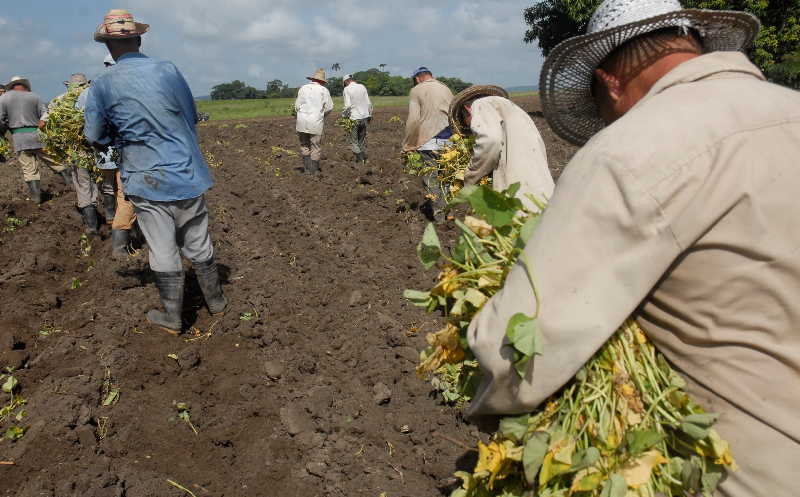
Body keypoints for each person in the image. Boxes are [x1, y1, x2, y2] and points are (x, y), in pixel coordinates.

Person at [466, 0, 799, 495]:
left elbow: (523, 346)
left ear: (610, 83)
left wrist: (484, 397)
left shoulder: (632, 151)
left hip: (758, 469)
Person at [84, 9, 227, 334]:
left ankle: (172, 318)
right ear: (138, 39)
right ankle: (217, 302)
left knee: (162, 247)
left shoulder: (103, 84)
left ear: (108, 46)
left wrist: (116, 137)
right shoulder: (167, 69)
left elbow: (94, 135)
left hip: (145, 176)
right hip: (186, 170)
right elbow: (190, 115)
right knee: (197, 239)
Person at [448, 85, 554, 212]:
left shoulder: (480, 105)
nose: (473, 127)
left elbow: (490, 141)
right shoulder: (513, 110)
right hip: (542, 188)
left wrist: (471, 176)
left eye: (468, 123)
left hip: (519, 193)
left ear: (467, 109)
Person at [89, 54, 138, 259]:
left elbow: (94, 134)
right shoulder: (135, 86)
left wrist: (107, 143)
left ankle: (121, 238)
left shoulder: (99, 88)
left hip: (115, 152)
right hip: (138, 152)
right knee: (130, 196)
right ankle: (123, 244)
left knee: (120, 192)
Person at [0, 76, 73, 204]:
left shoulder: (4, 98)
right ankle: (71, 186)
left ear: (11, 86)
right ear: (24, 85)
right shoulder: (34, 96)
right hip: (37, 134)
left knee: (29, 169)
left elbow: (1, 120)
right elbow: (45, 115)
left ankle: (36, 198)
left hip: (19, 137)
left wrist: (4, 133)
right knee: (53, 160)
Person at [44, 73, 101, 234]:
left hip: (76, 151)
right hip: (97, 147)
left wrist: (58, 141)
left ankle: (92, 226)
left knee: (83, 185)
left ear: (68, 85)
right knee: (97, 182)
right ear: (86, 84)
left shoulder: (60, 101)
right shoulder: (94, 96)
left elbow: (42, 124)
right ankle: (107, 217)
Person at [402, 67, 454, 221]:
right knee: (447, 176)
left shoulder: (417, 90)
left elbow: (413, 120)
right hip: (449, 139)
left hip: (428, 140)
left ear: (417, 79)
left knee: (432, 179)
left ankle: (439, 217)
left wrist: (408, 145)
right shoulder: (445, 88)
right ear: (431, 76)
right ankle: (449, 211)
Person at [294, 68, 333, 174]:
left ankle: (307, 170)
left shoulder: (303, 88)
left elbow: (297, 106)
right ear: (322, 81)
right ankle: (313, 170)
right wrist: (321, 115)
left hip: (301, 121)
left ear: (313, 79)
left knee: (304, 145)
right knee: (315, 146)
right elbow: (329, 107)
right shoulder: (324, 90)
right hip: (316, 122)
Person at [341, 74, 373, 164]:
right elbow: (369, 103)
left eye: (344, 83)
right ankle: (362, 160)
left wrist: (343, 117)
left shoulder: (347, 89)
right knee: (361, 141)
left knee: (354, 141)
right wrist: (370, 115)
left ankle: (360, 161)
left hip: (354, 118)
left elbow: (347, 106)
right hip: (365, 118)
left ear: (346, 81)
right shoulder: (362, 87)